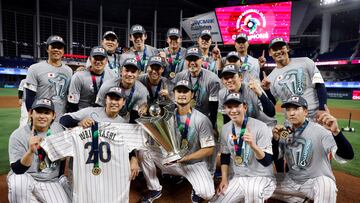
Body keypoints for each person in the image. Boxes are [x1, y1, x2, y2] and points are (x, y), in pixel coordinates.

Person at [40, 97, 146, 202]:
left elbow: (134, 142)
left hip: (108, 170)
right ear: (106, 100)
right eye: (111, 99)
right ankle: (65, 183)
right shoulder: (89, 113)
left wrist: (133, 158)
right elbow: (63, 120)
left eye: (117, 99)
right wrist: (79, 122)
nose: (114, 102)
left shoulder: (123, 124)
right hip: (83, 170)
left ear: (123, 102)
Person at [138, 80, 215, 203]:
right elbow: (152, 112)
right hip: (172, 161)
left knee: (207, 194)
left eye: (186, 91)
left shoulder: (201, 119)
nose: (182, 94)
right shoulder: (167, 114)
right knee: (143, 151)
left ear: (192, 95)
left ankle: (197, 187)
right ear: (174, 94)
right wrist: (145, 107)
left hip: (193, 164)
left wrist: (186, 158)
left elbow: (209, 149)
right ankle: (154, 189)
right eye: (179, 91)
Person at [271, 95, 354, 203]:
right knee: (260, 182)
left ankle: (304, 197)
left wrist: (336, 132)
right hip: (291, 182)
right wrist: (275, 140)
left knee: (326, 185)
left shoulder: (319, 131)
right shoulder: (285, 133)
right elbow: (274, 156)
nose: (291, 113)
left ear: (305, 112)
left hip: (314, 182)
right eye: (288, 109)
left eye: (296, 108)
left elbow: (347, 155)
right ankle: (301, 199)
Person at [213, 93, 275, 203]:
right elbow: (225, 156)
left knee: (252, 190)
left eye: (237, 106)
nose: (233, 110)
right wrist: (224, 179)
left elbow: (267, 161)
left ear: (245, 107)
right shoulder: (225, 129)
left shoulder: (261, 127)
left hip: (261, 177)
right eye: (229, 107)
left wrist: (253, 145)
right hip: (239, 177)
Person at [7, 98, 70, 203]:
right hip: (26, 178)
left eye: (46, 113)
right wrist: (30, 151)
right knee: (18, 182)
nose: (42, 116)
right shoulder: (18, 135)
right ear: (31, 113)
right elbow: (17, 169)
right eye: (39, 112)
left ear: (53, 115)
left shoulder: (60, 130)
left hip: (50, 181)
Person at [262, 37, 328, 120]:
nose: (278, 51)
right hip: (292, 120)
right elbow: (272, 103)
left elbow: (319, 85)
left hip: (314, 115)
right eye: (275, 49)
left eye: (281, 48)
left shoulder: (306, 62)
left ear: (288, 48)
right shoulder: (270, 78)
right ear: (270, 53)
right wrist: (267, 90)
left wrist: (322, 108)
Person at [24, 35, 73, 121]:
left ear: (63, 51)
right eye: (53, 47)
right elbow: (29, 95)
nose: (56, 50)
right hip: (41, 116)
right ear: (47, 49)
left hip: (60, 117)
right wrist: (31, 114)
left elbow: (69, 95)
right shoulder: (35, 68)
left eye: (60, 47)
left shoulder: (68, 71)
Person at [96, 58, 149, 123]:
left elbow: (136, 115)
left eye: (133, 72)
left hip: (125, 119)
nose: (129, 74)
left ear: (138, 74)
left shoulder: (142, 90)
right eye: (126, 70)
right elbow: (98, 107)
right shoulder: (107, 85)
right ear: (121, 71)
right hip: (106, 118)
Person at [67, 46, 117, 112]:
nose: (98, 62)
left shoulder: (113, 76)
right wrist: (79, 119)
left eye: (101, 58)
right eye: (96, 58)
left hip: (103, 115)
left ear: (106, 60)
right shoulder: (78, 76)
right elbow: (72, 104)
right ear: (90, 59)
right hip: (82, 115)